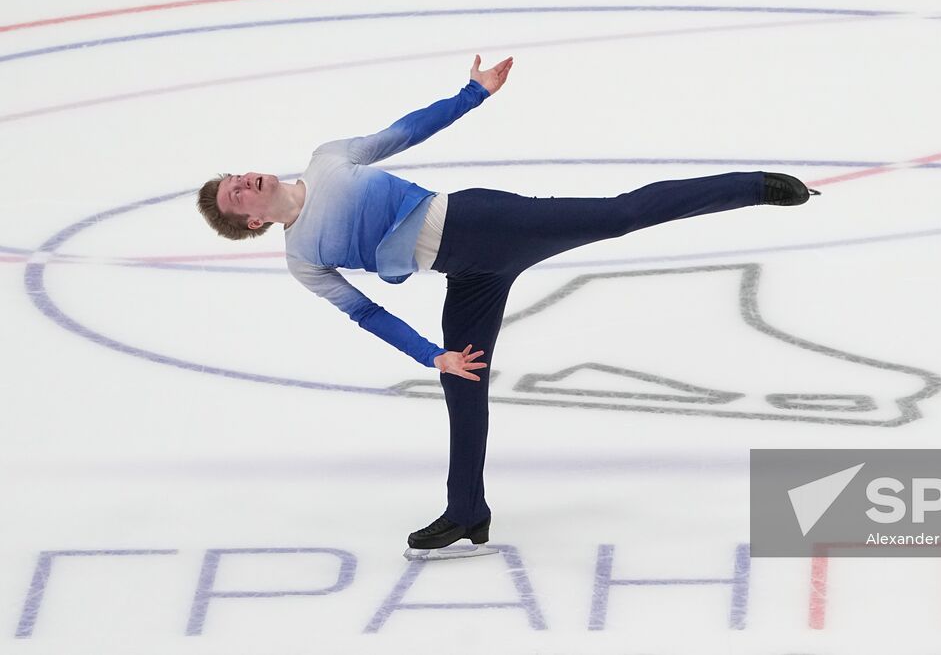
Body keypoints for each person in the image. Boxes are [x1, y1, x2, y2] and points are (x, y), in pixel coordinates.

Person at [195, 56, 819, 558]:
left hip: (483, 221)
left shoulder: (328, 159)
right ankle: (467, 512)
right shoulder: (303, 259)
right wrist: (432, 355)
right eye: (236, 194)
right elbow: (367, 313)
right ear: (249, 223)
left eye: (238, 175)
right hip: (463, 273)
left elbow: (404, 131)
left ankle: (757, 187)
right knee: (464, 383)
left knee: (618, 215)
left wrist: (473, 94)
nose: (247, 180)